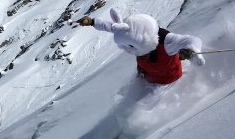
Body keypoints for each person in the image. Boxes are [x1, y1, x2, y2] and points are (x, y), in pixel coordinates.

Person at [76, 8, 205, 84]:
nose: (129, 49)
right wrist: (92, 22)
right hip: (148, 78)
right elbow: (110, 27)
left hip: (170, 82)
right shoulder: (130, 32)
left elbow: (191, 39)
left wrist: (191, 50)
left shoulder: (165, 41)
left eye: (130, 46)